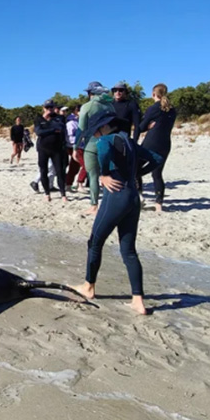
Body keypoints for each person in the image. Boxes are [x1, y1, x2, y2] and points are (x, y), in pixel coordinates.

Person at [70, 111, 163, 316]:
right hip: (133, 197)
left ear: (104, 127)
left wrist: (104, 174)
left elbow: (103, 150)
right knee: (128, 250)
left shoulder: (107, 140)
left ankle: (89, 287)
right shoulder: (129, 142)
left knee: (95, 242)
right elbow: (156, 158)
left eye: (95, 131)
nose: (95, 136)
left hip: (116, 196)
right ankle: (138, 301)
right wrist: (136, 174)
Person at [76, 81, 117, 215]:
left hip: (91, 145)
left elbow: (81, 128)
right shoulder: (110, 105)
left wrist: (76, 147)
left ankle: (94, 206)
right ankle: (108, 204)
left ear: (90, 93)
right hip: (109, 143)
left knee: (93, 176)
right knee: (108, 174)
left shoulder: (87, 106)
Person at [137, 83, 178, 213]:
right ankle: (159, 204)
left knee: (136, 167)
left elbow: (141, 127)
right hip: (165, 144)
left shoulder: (153, 108)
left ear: (153, 94)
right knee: (157, 174)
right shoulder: (172, 110)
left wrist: (147, 127)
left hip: (151, 142)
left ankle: (139, 195)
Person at [32, 100, 68, 202]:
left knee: (60, 172)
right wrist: (52, 130)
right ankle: (47, 193)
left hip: (57, 149)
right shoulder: (38, 119)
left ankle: (63, 194)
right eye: (47, 107)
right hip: (43, 149)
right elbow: (39, 132)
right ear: (44, 108)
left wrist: (48, 129)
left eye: (51, 107)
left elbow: (60, 128)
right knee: (43, 171)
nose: (49, 109)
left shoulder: (59, 118)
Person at [64, 106, 82, 191]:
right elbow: (70, 136)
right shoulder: (71, 123)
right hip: (73, 146)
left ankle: (68, 183)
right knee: (82, 164)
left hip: (80, 145)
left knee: (75, 165)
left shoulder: (79, 121)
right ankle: (79, 183)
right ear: (76, 111)